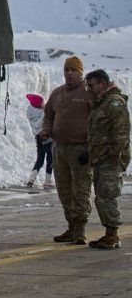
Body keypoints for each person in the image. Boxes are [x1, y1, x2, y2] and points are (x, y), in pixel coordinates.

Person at [38, 55, 91, 244]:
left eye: (73, 70)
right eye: (66, 70)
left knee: (80, 191)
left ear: (80, 72)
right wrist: (46, 130)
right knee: (64, 191)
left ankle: (80, 230)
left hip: (80, 150)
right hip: (60, 149)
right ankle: (71, 226)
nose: (69, 73)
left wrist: (91, 147)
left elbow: (98, 120)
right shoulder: (58, 93)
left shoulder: (88, 93)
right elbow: (48, 115)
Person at [84, 69, 129, 249]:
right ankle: (110, 234)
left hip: (111, 159)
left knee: (107, 196)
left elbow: (121, 133)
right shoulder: (100, 103)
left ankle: (113, 235)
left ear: (103, 83)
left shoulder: (114, 103)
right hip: (101, 157)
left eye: (92, 85)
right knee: (102, 196)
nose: (89, 89)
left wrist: (114, 155)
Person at [25, 93, 54, 190]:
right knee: (50, 159)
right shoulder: (43, 113)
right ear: (38, 104)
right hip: (47, 137)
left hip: (38, 138)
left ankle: (31, 179)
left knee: (40, 159)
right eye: (42, 102)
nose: (44, 103)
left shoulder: (31, 113)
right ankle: (48, 181)